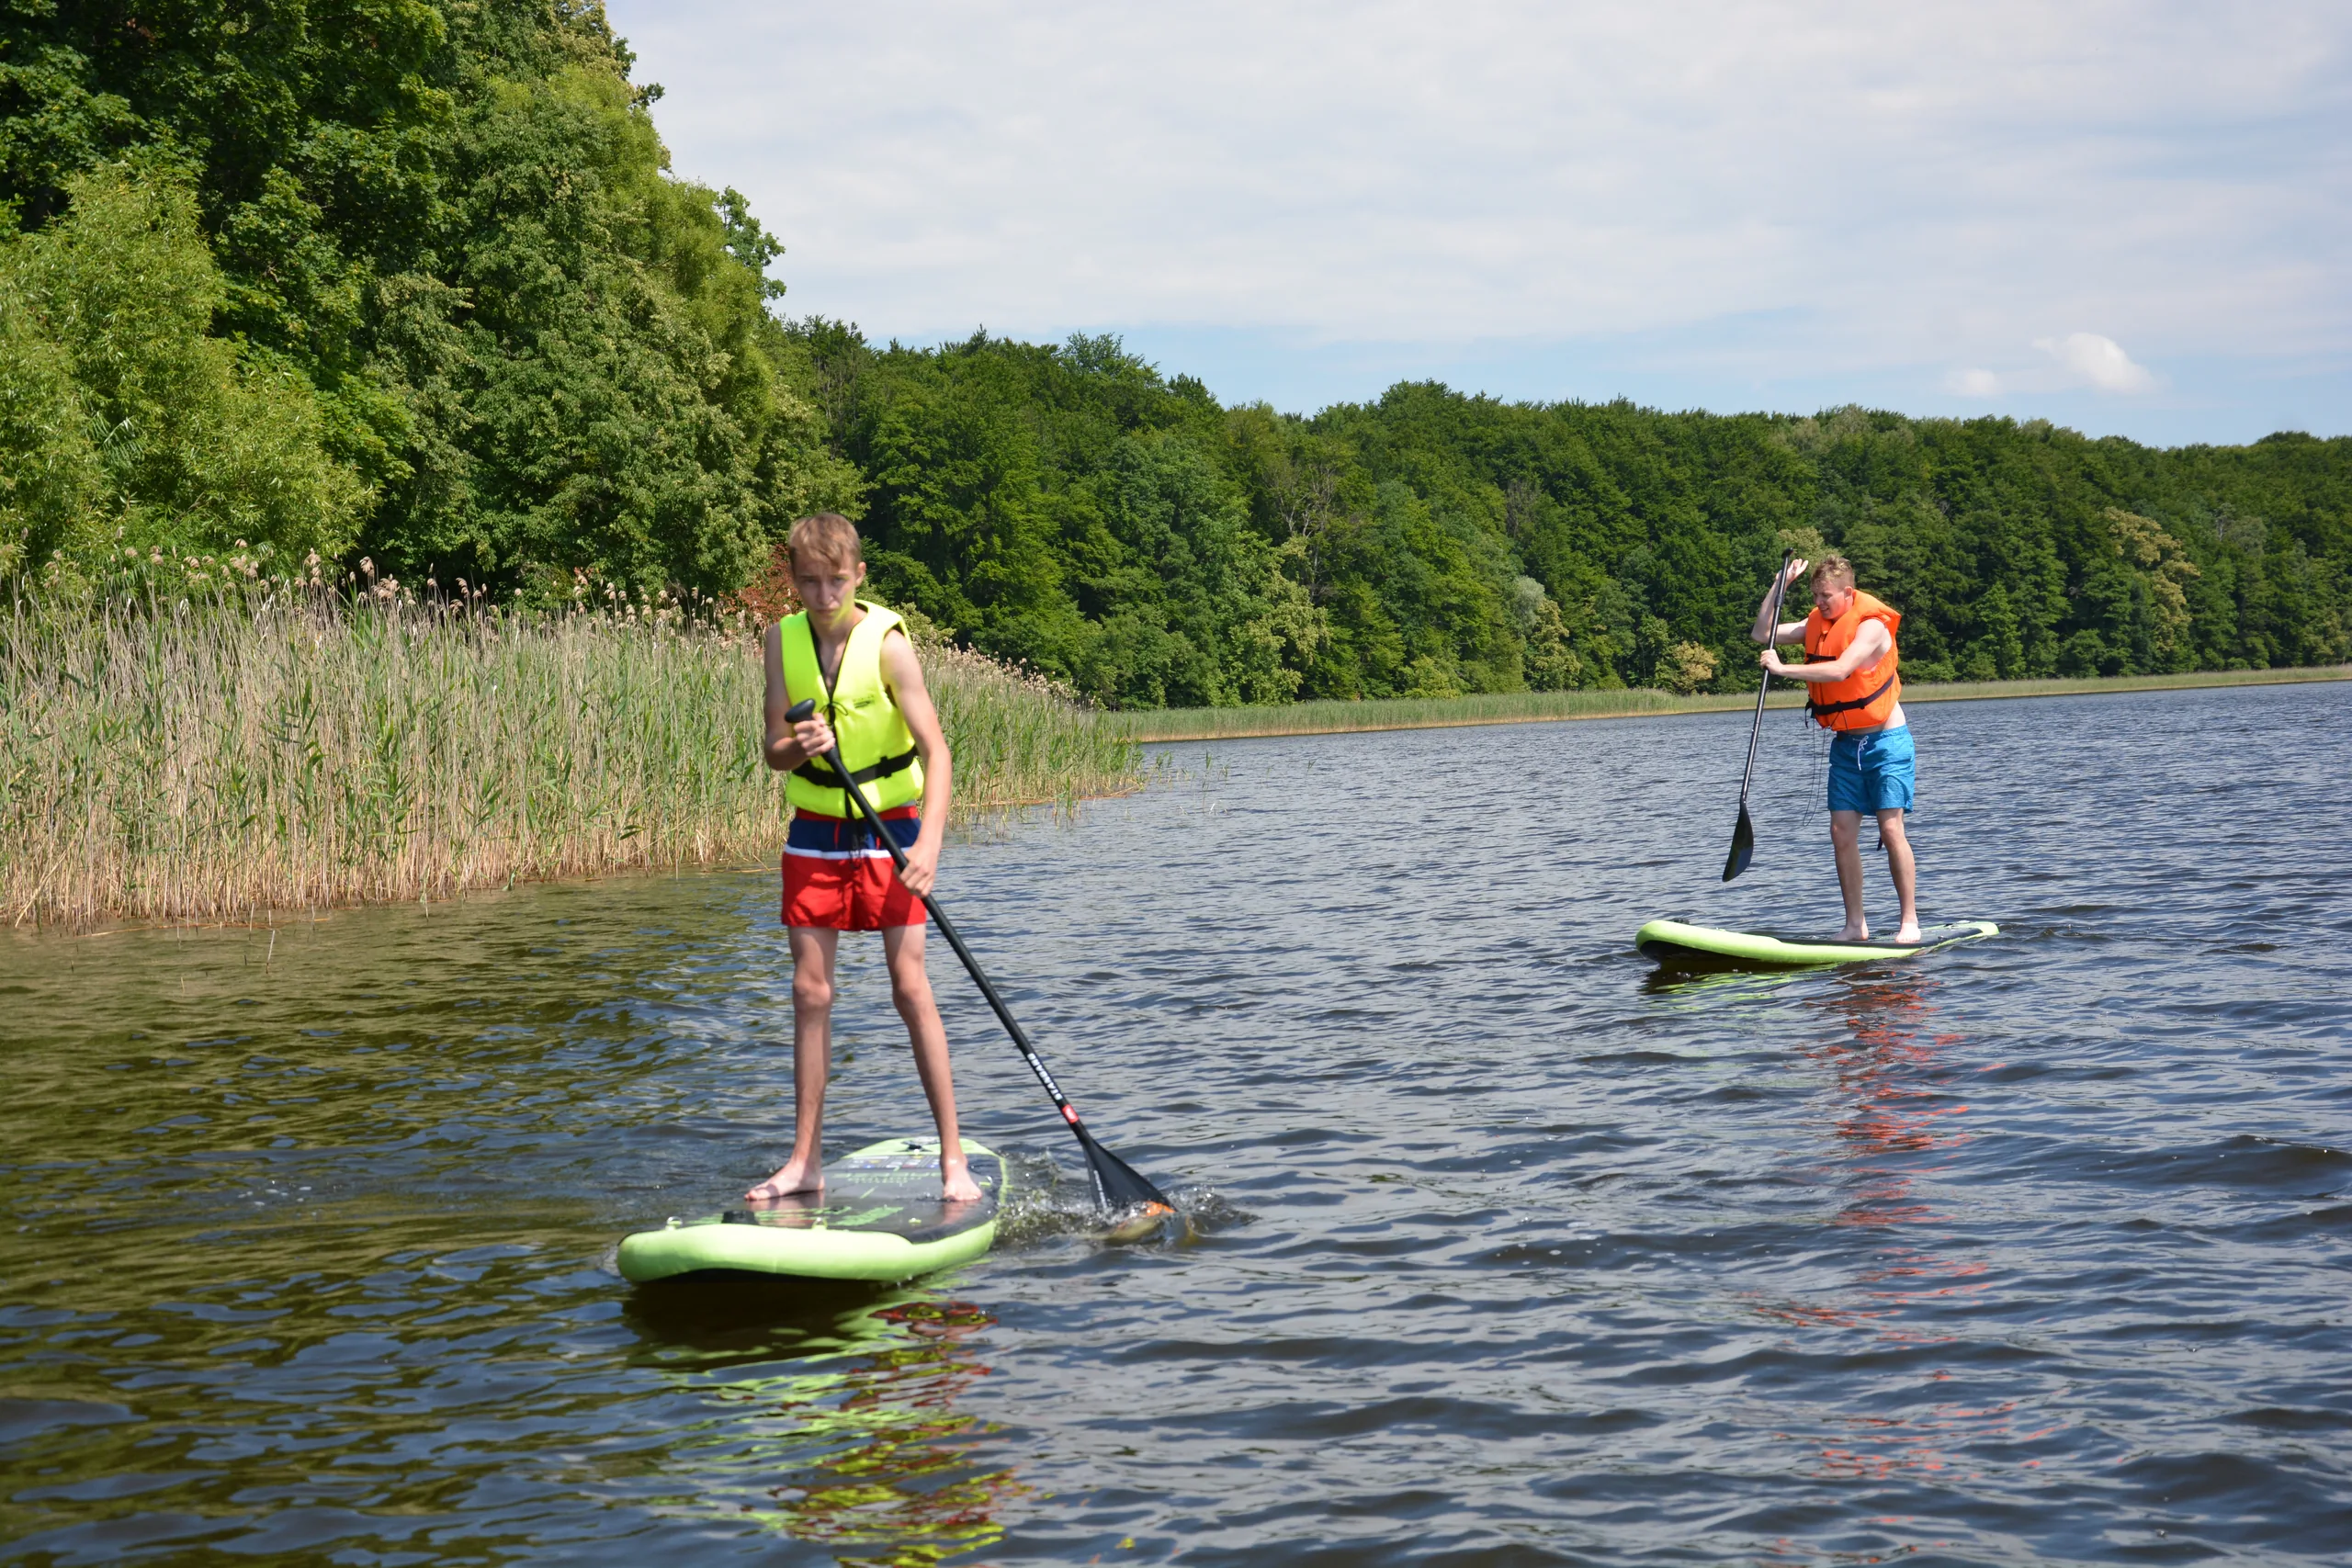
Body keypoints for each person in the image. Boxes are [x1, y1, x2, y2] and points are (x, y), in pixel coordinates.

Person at [748, 513, 982, 1203]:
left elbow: (937, 751)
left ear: (859, 576)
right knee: (809, 992)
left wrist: (929, 845)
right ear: (792, 581)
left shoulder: (889, 646)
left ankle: (952, 1160)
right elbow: (772, 750)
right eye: (810, 582)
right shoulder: (778, 640)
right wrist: (802, 746)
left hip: (893, 828)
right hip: (816, 832)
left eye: (837, 581)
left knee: (910, 987)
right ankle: (804, 1162)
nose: (824, 596)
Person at [1752, 555, 1922, 944]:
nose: (1820, 602)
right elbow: (1763, 634)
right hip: (1846, 745)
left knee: (1891, 828)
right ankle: (1855, 925)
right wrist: (1779, 585)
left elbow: (1841, 670)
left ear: (1848, 591)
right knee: (1840, 832)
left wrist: (1782, 670)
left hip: (1886, 742)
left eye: (1826, 596)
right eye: (1814, 595)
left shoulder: (1872, 628)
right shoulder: (1816, 623)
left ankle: (1909, 921)